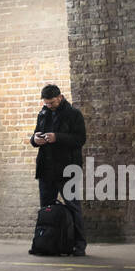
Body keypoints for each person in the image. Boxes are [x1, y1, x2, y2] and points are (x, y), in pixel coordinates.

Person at [29, 84, 87, 256]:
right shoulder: (43, 113)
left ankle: (79, 245)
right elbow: (35, 135)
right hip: (46, 169)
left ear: (60, 97)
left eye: (52, 102)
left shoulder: (74, 114)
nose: (49, 105)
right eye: (46, 103)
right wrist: (35, 139)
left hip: (68, 169)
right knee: (46, 208)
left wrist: (57, 138)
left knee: (73, 207)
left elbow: (80, 139)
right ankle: (46, 243)